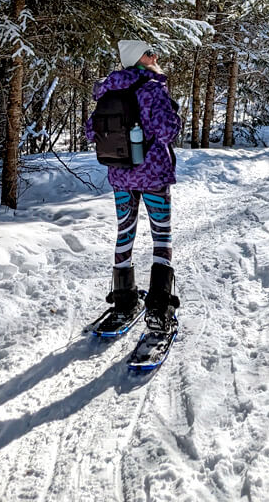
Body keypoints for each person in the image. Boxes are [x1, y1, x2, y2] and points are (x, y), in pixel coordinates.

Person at [85, 39, 182, 332]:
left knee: (124, 232)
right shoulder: (152, 88)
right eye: (149, 52)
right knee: (161, 235)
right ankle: (158, 305)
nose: (155, 56)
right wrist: (173, 113)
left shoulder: (108, 89)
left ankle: (124, 300)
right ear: (136, 59)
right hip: (152, 173)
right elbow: (168, 131)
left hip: (121, 175)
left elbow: (92, 132)